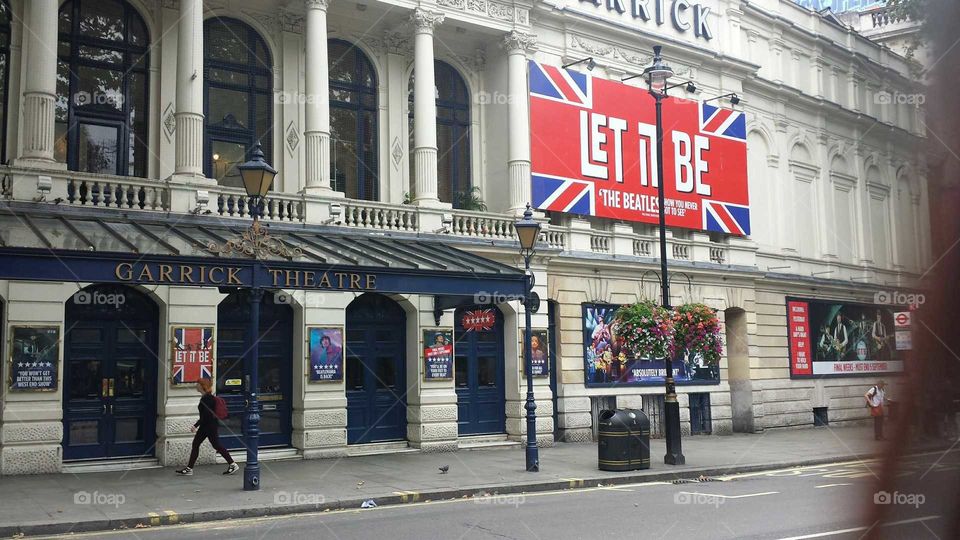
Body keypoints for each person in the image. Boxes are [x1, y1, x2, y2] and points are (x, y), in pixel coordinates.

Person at [177, 378, 237, 476]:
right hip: (206, 426)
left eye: (198, 384)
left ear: (202, 386)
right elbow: (205, 415)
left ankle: (232, 464)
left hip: (209, 426)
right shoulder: (206, 397)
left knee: (216, 445)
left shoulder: (208, 398)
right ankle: (189, 468)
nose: (196, 385)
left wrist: (196, 425)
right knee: (196, 444)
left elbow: (206, 415)